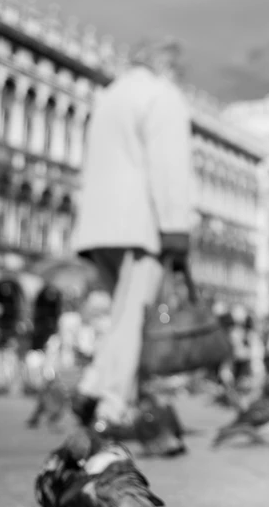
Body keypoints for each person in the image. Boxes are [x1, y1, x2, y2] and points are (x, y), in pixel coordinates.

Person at [72, 37, 192, 437]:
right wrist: (176, 226)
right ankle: (111, 403)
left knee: (122, 315)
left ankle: (92, 389)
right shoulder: (163, 95)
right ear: (166, 66)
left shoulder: (109, 96)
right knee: (133, 319)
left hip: (98, 224)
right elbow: (169, 165)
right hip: (141, 222)